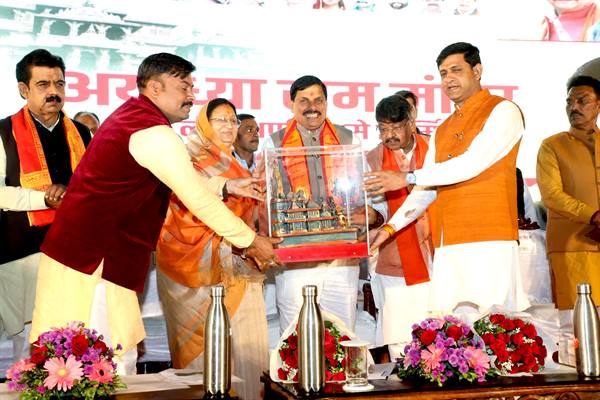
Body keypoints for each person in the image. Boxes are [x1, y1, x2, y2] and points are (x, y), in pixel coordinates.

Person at [30, 53, 280, 375]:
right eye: (184, 87)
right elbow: (194, 198)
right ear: (155, 88)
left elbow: (175, 182)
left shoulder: (134, 118)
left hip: (88, 257)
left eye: (192, 87)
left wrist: (226, 186)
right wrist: (251, 241)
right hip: (92, 262)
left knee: (98, 361)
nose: (192, 96)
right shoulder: (153, 132)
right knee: (102, 365)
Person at [365, 42, 530, 321]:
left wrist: (407, 177)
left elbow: (472, 163)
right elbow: (425, 191)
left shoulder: (504, 111)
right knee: (455, 330)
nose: (448, 79)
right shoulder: (442, 128)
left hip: (490, 239)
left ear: (477, 71)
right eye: (443, 73)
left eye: (456, 70)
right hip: (449, 244)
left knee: (496, 327)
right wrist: (390, 229)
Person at [156, 98, 267, 399]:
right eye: (220, 120)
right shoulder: (187, 159)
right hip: (191, 272)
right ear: (205, 124)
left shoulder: (235, 163)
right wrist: (227, 189)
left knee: (247, 351)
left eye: (233, 120)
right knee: (202, 357)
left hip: (239, 267)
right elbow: (188, 198)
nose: (229, 126)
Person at [260, 75, 380, 333]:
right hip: (295, 260)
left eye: (318, 100)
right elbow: (263, 198)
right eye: (303, 100)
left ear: (326, 103)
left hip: (341, 259)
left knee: (342, 332)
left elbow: (364, 191)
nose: (311, 107)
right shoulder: (274, 144)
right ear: (291, 104)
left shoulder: (348, 140)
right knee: (295, 335)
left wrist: (368, 217)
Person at [0, 49, 91, 363]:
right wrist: (42, 199)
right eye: (43, 84)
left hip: (73, 252)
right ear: (23, 89)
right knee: (27, 349)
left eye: (59, 84)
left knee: (75, 342)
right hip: (23, 254)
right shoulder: (3, 132)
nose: (54, 91)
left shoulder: (81, 132)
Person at [536, 75, 600, 363]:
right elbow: (551, 195)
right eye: (569, 102)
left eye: (582, 100)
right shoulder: (552, 146)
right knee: (574, 320)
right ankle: (576, 379)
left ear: (598, 105)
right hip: (571, 244)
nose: (574, 107)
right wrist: (592, 215)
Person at [366, 95, 434, 361]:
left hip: (438, 256)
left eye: (395, 127)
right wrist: (370, 216)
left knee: (442, 334)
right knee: (400, 340)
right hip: (395, 261)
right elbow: (376, 209)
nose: (389, 135)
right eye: (383, 128)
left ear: (411, 122)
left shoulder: (435, 150)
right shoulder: (371, 159)